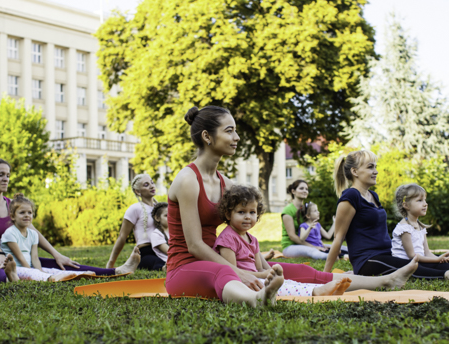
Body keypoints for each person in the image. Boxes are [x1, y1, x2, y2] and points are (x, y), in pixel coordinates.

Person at [165, 106, 418, 307]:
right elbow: (194, 245)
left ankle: (386, 280)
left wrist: (254, 265)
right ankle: (256, 300)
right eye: (229, 131)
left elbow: (240, 229)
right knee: (225, 275)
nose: (237, 137)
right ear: (207, 136)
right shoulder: (188, 180)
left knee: (296, 270)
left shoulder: (225, 182)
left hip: (221, 261)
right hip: (185, 268)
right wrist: (239, 272)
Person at [324, 151, 449, 279]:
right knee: (414, 265)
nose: (376, 171)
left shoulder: (373, 196)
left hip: (388, 253)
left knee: (441, 258)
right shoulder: (350, 197)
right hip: (368, 261)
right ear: (355, 172)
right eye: (370, 167)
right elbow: (338, 239)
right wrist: (325, 275)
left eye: (375, 166)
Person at [0, 158, 139, 282]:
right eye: (0, 175)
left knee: (63, 265)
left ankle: (115, 271)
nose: (6, 178)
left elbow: (33, 231)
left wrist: (57, 255)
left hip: (15, 258)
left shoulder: (12, 205)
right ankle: (11, 276)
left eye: (8, 175)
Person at [214, 185, 351, 297]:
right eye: (241, 212)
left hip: (257, 278)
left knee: (288, 282)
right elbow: (233, 273)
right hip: (244, 284)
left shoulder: (252, 240)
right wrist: (264, 275)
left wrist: (273, 273)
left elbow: (261, 267)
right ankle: (315, 292)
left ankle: (319, 288)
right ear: (228, 214)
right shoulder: (227, 239)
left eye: (252, 212)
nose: (248, 217)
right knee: (278, 288)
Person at [0, 194, 96, 282]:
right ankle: (50, 278)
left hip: (30, 267)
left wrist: (40, 271)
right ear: (12, 216)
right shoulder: (10, 233)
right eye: (22, 213)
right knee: (35, 273)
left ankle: (79, 274)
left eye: (29, 212)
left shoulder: (33, 234)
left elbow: (35, 258)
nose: (27, 215)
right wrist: (36, 273)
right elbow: (20, 258)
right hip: (17, 269)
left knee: (52, 270)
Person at [107, 174, 165, 271]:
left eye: (152, 182)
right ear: (137, 191)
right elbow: (122, 236)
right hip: (145, 252)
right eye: (146, 185)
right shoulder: (135, 209)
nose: (151, 186)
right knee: (158, 263)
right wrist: (111, 263)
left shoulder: (161, 209)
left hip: (162, 249)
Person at [281, 180, 348, 259]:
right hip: (291, 246)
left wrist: (319, 245)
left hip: (306, 244)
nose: (305, 191)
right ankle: (331, 257)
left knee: (339, 247)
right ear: (293, 191)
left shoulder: (306, 209)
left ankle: (349, 254)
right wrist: (314, 247)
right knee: (312, 250)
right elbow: (292, 237)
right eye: (301, 188)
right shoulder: (288, 211)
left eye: (306, 189)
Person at [150, 202, 169, 270]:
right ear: (157, 218)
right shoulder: (156, 234)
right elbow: (169, 251)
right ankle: (165, 268)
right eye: (166, 215)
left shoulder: (175, 232)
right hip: (166, 261)